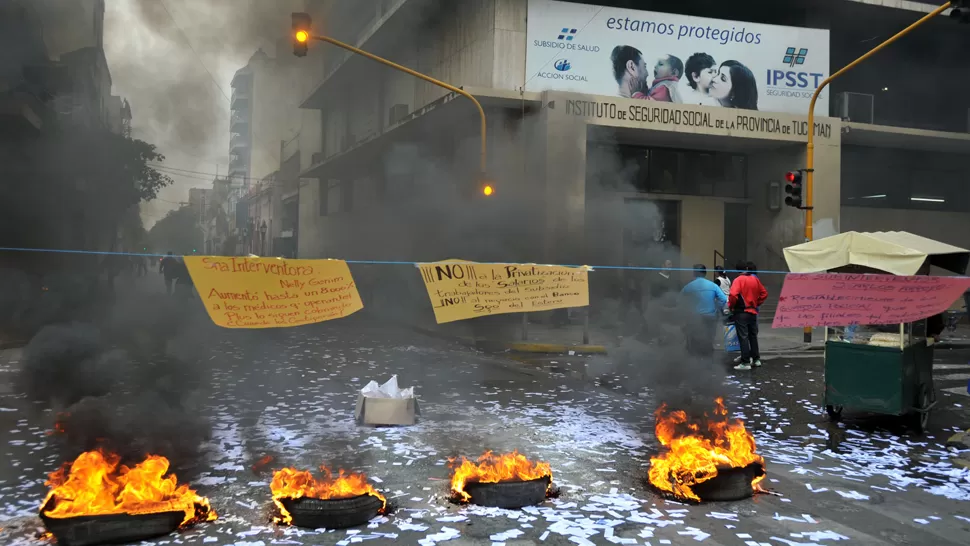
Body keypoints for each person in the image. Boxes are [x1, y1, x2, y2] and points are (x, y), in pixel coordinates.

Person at [729, 261, 768, 370]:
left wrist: (731, 306)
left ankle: (745, 362)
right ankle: (756, 359)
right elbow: (764, 293)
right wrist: (757, 303)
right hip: (753, 312)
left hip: (741, 312)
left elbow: (733, 295)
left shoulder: (738, 280)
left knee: (743, 337)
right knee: (753, 336)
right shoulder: (754, 279)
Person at [682, 264, 727, 356]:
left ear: (694, 273)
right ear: (705, 273)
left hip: (695, 318)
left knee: (694, 341)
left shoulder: (689, 286)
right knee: (709, 340)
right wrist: (716, 307)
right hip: (710, 317)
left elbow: (679, 299)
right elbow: (723, 299)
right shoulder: (713, 285)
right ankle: (708, 363)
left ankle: (695, 363)